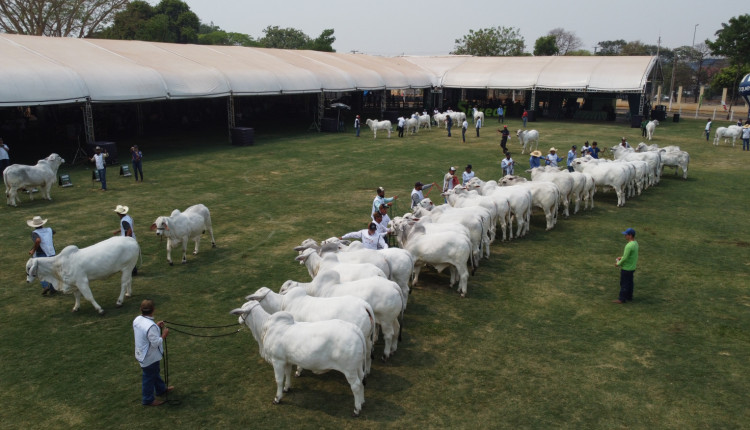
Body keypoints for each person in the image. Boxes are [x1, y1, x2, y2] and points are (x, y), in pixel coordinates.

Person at [133, 299, 173, 406]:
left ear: (141, 309)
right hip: (149, 356)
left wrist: (155, 326)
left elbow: (145, 331)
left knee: (154, 373)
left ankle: (161, 389)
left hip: (141, 353)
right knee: (149, 377)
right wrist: (164, 335)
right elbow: (156, 343)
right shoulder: (151, 327)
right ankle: (148, 399)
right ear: (153, 310)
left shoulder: (137, 320)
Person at [27, 215, 57, 295]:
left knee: (40, 270)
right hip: (51, 252)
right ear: (42, 224)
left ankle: (45, 286)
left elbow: (38, 240)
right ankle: (53, 288)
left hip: (41, 253)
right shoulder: (49, 229)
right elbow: (54, 232)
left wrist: (33, 250)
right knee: (51, 270)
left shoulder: (34, 233)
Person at [614, 228, 639, 304]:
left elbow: (625, 258)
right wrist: (621, 257)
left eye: (626, 234)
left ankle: (621, 299)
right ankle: (629, 296)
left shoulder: (629, 246)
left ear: (630, 236)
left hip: (626, 268)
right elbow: (630, 256)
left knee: (624, 283)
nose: (625, 236)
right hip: (632, 267)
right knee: (630, 283)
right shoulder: (635, 243)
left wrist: (618, 263)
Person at [113, 205, 138, 275]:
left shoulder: (124, 221)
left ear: (119, 213)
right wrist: (118, 231)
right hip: (132, 238)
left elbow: (129, 230)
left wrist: (126, 240)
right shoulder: (128, 217)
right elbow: (126, 228)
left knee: (127, 256)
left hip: (128, 240)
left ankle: (132, 271)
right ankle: (133, 270)